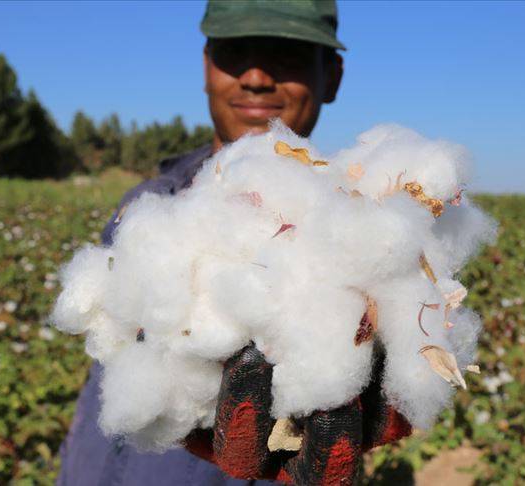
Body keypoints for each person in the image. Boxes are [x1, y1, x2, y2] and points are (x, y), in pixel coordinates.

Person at [58, 2, 410, 484]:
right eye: (235, 52)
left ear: (332, 75)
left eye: (285, 55)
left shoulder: (365, 236)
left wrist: (375, 364)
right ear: (207, 65)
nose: (256, 77)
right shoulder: (148, 202)